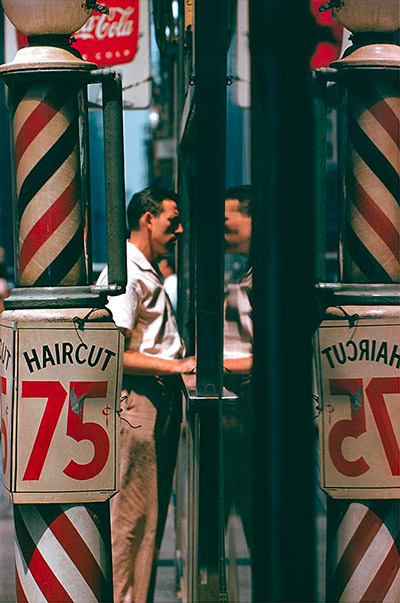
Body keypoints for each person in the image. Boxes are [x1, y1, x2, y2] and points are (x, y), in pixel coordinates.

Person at [97, 187, 195, 602]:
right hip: (139, 402)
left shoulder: (142, 269)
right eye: (172, 220)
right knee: (132, 520)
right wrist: (173, 366)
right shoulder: (128, 275)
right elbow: (113, 351)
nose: (179, 230)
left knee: (147, 518)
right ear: (147, 219)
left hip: (154, 401)